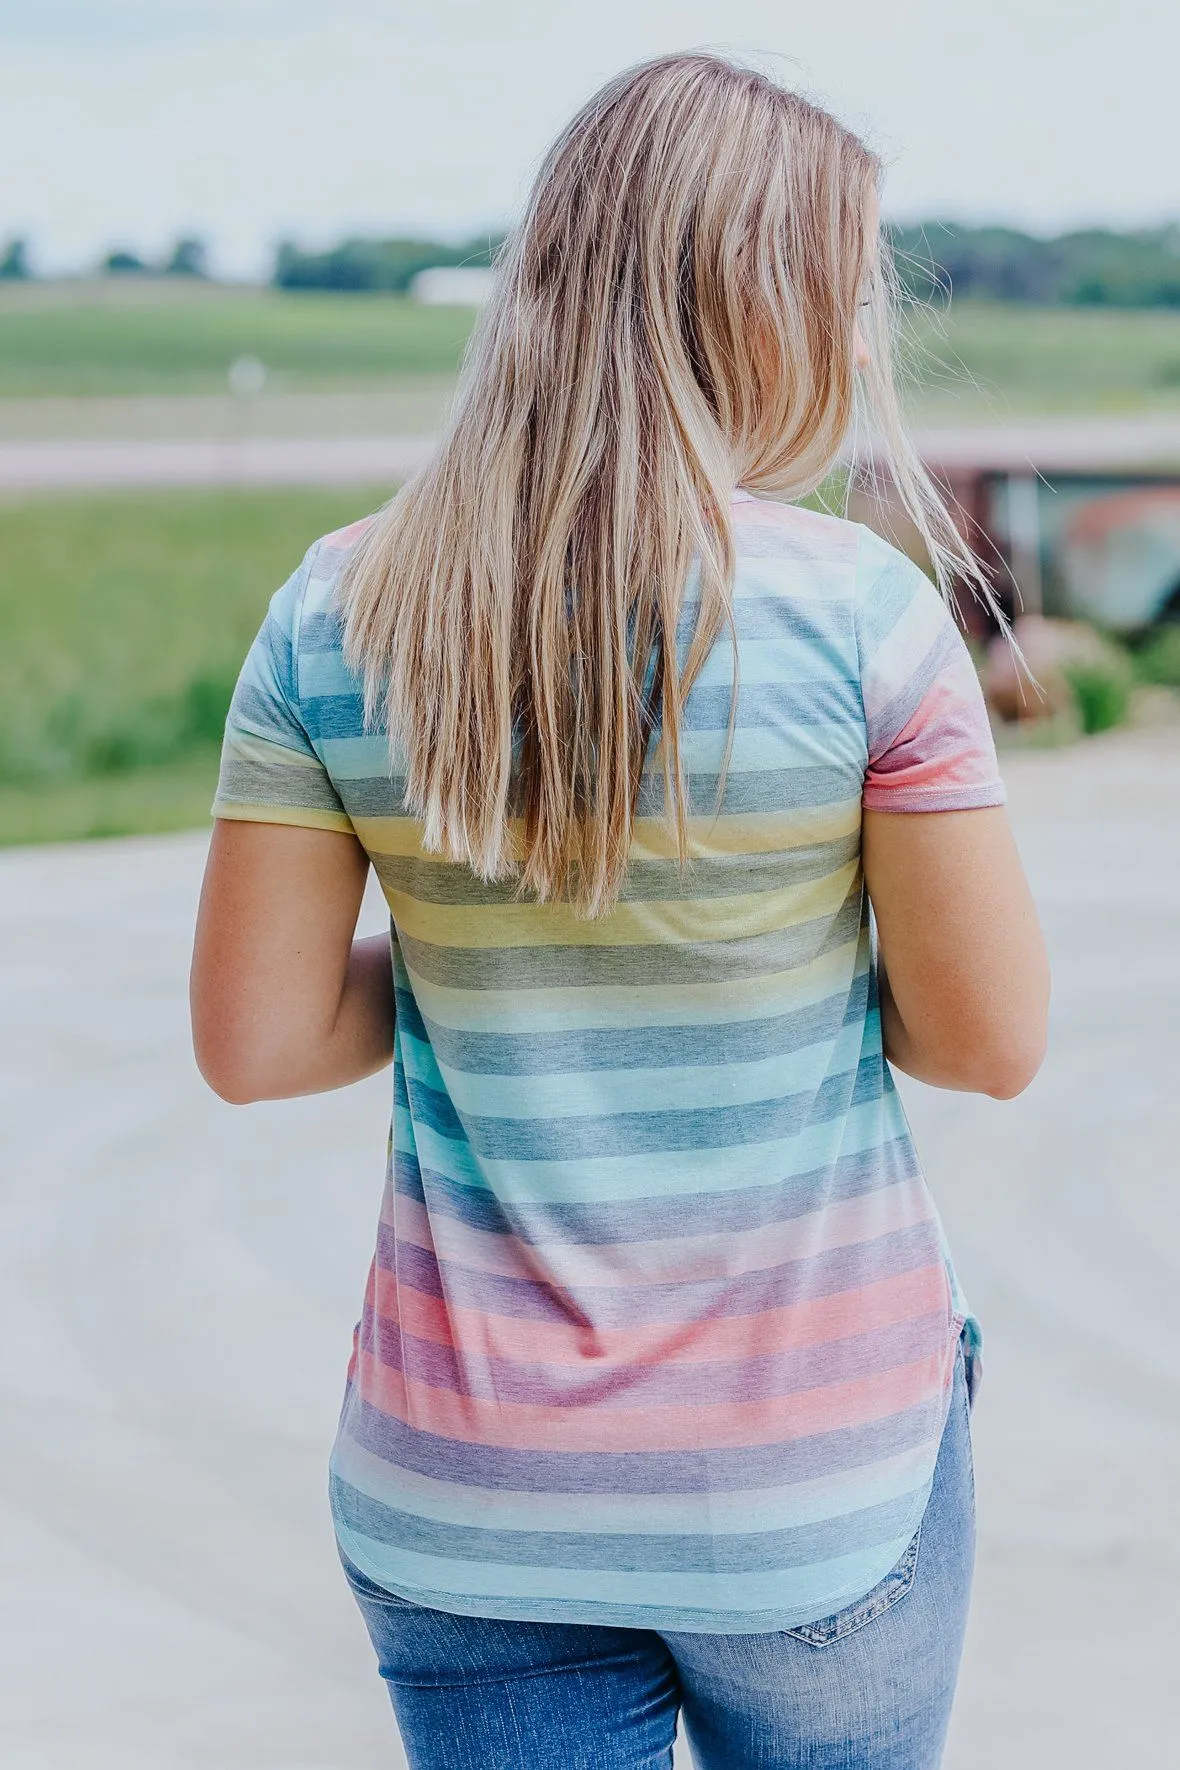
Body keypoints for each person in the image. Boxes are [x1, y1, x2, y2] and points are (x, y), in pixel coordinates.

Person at [190, 50, 1049, 1770]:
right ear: (761, 308)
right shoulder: (868, 622)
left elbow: (262, 1043)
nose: (870, 344)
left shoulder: (339, 610)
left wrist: (478, 962)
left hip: (470, 1489)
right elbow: (987, 1041)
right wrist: (762, 954)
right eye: (853, 295)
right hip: (802, 1484)